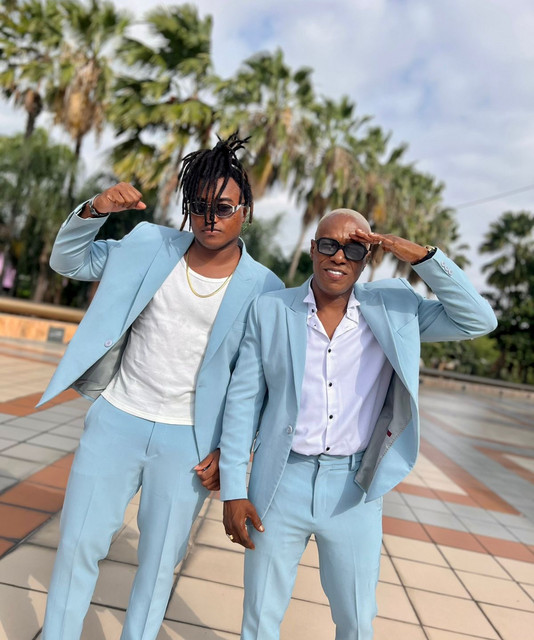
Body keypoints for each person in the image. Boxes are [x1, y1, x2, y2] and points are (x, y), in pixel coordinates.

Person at [39, 134, 284, 640]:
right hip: (117, 418)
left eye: (223, 207)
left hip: (189, 442)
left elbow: (258, 384)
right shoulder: (149, 244)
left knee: (157, 568)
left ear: (245, 211)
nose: (210, 218)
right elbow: (69, 262)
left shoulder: (265, 287)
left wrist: (234, 451)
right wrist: (95, 209)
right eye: (199, 206)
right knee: (78, 544)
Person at [219, 209, 497, 639]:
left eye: (353, 249)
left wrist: (420, 257)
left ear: (367, 258)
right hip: (280, 482)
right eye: (329, 245)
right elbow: (243, 402)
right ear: (313, 248)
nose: (339, 257)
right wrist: (234, 490)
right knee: (259, 617)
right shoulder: (270, 309)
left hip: (354, 489)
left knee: (356, 619)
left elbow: (479, 319)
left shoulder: (394, 308)